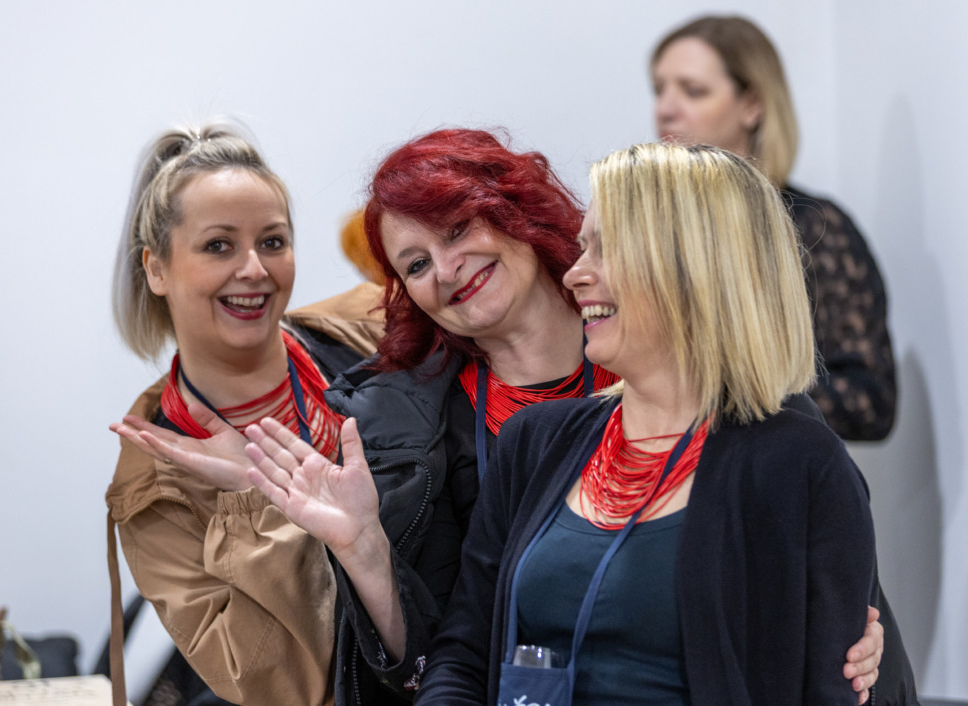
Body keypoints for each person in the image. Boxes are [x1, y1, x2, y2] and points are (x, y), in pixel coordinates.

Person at [228, 129, 885, 704]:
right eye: (417, 265)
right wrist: (361, 548)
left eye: (457, 230)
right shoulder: (513, 438)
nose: (447, 270)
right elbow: (459, 652)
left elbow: (838, 655)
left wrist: (856, 652)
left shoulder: (790, 451)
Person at [407, 142, 874, 704]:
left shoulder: (798, 463)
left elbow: (831, 682)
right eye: (584, 248)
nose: (575, 275)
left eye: (605, 250)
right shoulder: (534, 441)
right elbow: (463, 656)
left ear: (695, 266)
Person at [105, 121, 384, 706]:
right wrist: (254, 500)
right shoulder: (153, 485)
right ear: (156, 268)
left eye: (273, 242)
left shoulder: (368, 335)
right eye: (219, 246)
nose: (255, 269)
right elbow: (277, 686)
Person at [651, 15, 897, 441]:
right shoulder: (644, 228)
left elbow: (871, 404)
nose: (665, 109)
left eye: (693, 90)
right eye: (659, 89)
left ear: (752, 105)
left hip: (770, 472)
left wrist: (739, 383)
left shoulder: (815, 228)